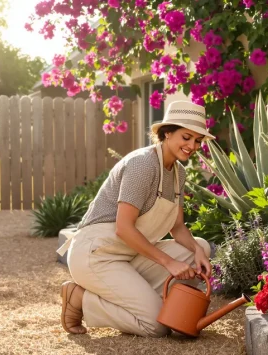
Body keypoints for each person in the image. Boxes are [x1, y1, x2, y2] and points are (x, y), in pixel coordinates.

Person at [56, 100, 214, 337]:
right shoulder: (142, 164)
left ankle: (146, 299)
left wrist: (197, 251)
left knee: (200, 246)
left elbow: (178, 227)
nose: (192, 145)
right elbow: (123, 229)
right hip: (96, 255)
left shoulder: (178, 173)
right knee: (156, 325)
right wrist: (168, 263)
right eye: (186, 137)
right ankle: (80, 297)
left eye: (197, 141)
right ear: (167, 133)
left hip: (130, 254)